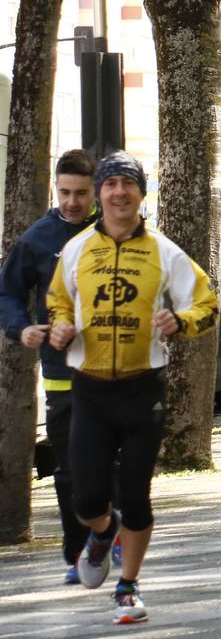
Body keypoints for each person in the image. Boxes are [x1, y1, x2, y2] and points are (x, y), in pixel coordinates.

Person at [47, 151, 219, 624]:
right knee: (86, 498)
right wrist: (60, 326)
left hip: (144, 389)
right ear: (100, 194)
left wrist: (179, 321)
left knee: (138, 492)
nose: (119, 192)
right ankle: (103, 534)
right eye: (110, 185)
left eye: (128, 184)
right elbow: (58, 301)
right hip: (90, 389)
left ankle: (128, 585)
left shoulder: (164, 251)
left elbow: (208, 303)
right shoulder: (78, 249)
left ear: (142, 194)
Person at [0, 149, 98, 584]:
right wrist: (21, 328)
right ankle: (76, 551)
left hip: (118, 368)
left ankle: (107, 531)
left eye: (80, 193)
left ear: (96, 190)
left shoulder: (119, 230)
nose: (72, 202)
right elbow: (6, 293)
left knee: (110, 460)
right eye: (64, 193)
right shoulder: (38, 239)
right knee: (69, 467)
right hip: (62, 370)